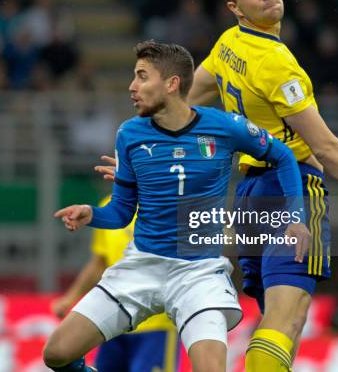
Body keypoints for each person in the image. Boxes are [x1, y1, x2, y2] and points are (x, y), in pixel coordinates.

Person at [96, 0, 338, 372]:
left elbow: (182, 104)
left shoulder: (229, 44)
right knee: (285, 321)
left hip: (251, 198)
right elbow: (323, 146)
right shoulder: (277, 64)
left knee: (271, 321)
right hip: (294, 190)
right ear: (235, 6)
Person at [43, 41, 309, 372]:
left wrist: (296, 218)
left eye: (142, 77)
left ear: (172, 84)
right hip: (142, 266)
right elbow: (123, 212)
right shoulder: (130, 134)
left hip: (198, 273)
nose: (132, 87)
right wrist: (92, 214)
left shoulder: (225, 127)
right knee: (56, 353)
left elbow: (283, 156)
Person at [51, 195, 180, 372]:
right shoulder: (107, 206)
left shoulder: (166, 200)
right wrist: (70, 298)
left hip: (156, 323)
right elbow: (100, 262)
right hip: (113, 320)